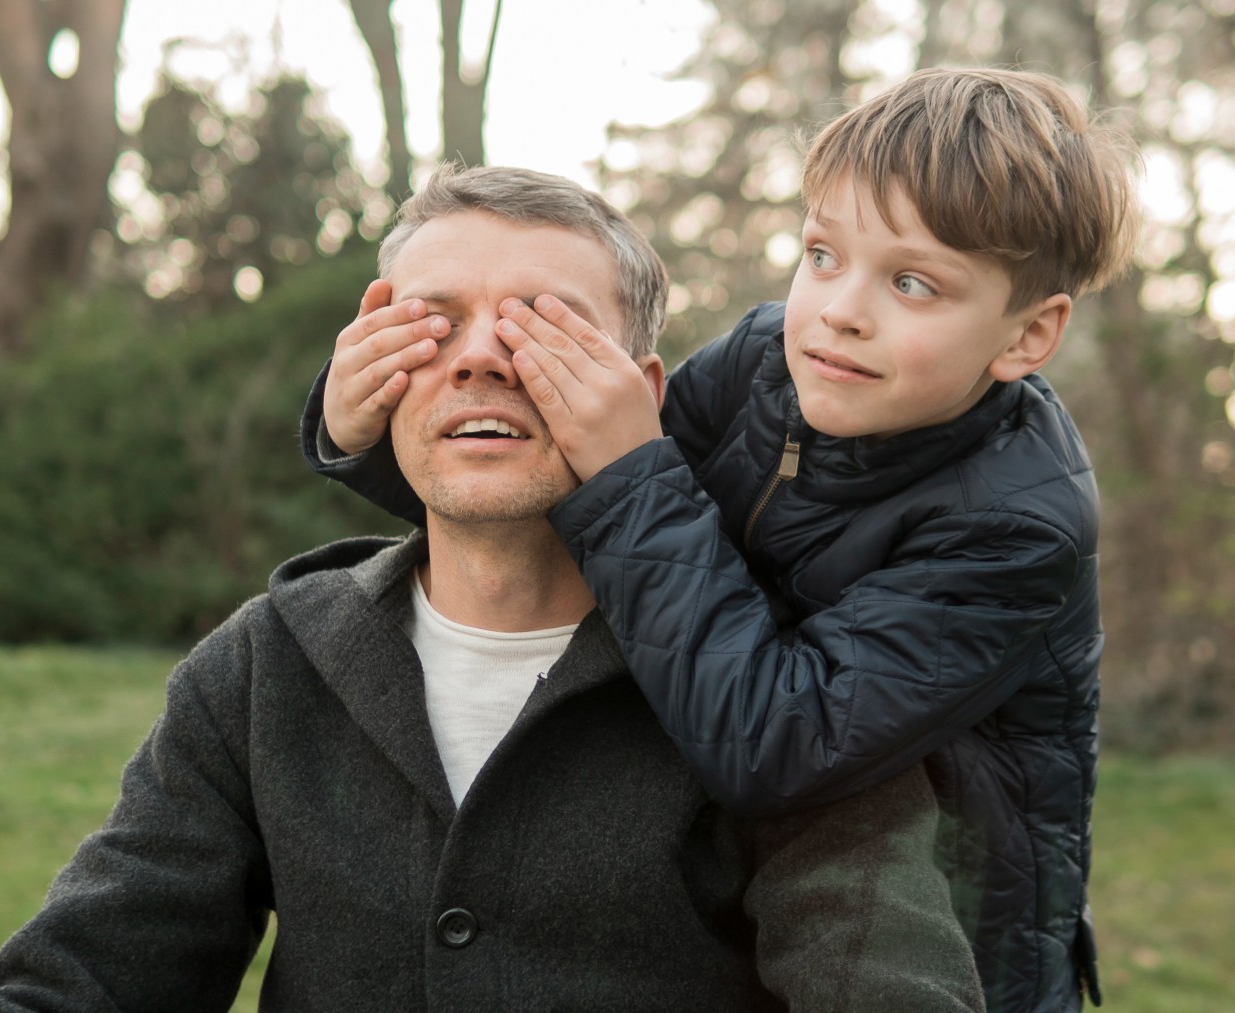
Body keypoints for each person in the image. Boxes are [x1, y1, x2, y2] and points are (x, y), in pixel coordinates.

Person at [0, 166, 987, 1011]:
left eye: (544, 326)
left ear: (646, 394)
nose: (481, 359)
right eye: (432, 323)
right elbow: (83, 977)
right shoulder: (264, 665)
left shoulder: (781, 692)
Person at [306, 68, 1137, 1011]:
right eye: (823, 254)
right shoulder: (762, 360)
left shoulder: (1017, 527)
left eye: (912, 281)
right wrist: (357, 431)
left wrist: (628, 472)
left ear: (1028, 335)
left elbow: (778, 739)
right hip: (747, 883)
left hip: (937, 934)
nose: (841, 308)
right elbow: (561, 511)